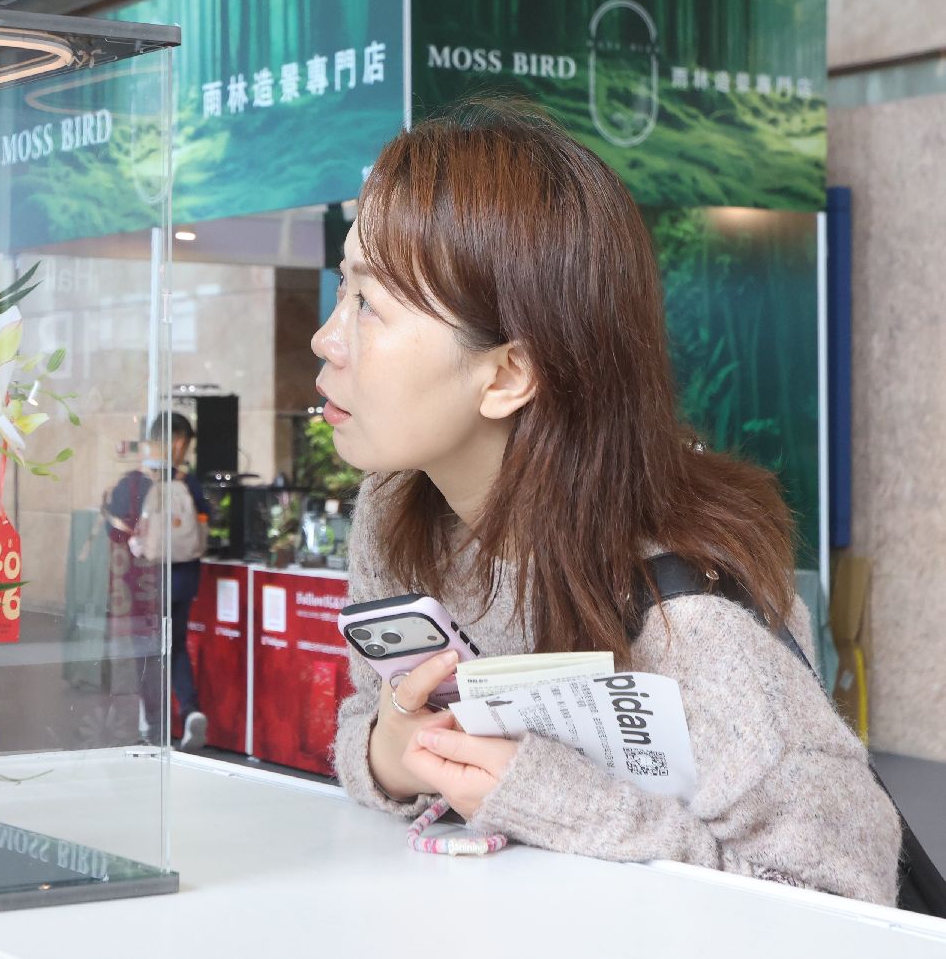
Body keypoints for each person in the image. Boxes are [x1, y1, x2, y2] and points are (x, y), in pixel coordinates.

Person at [314, 100, 900, 905]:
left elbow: (844, 895)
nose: (326, 339)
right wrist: (391, 752)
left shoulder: (692, 617)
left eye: (368, 306)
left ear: (508, 375)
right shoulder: (396, 513)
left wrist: (552, 799)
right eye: (342, 287)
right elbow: (368, 720)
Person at [105, 412, 212, 751]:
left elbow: (114, 531)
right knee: (175, 646)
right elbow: (206, 518)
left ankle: (153, 725)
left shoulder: (135, 482)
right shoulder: (188, 481)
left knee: (147, 651)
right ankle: (190, 710)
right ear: (178, 442)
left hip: (146, 582)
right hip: (185, 578)